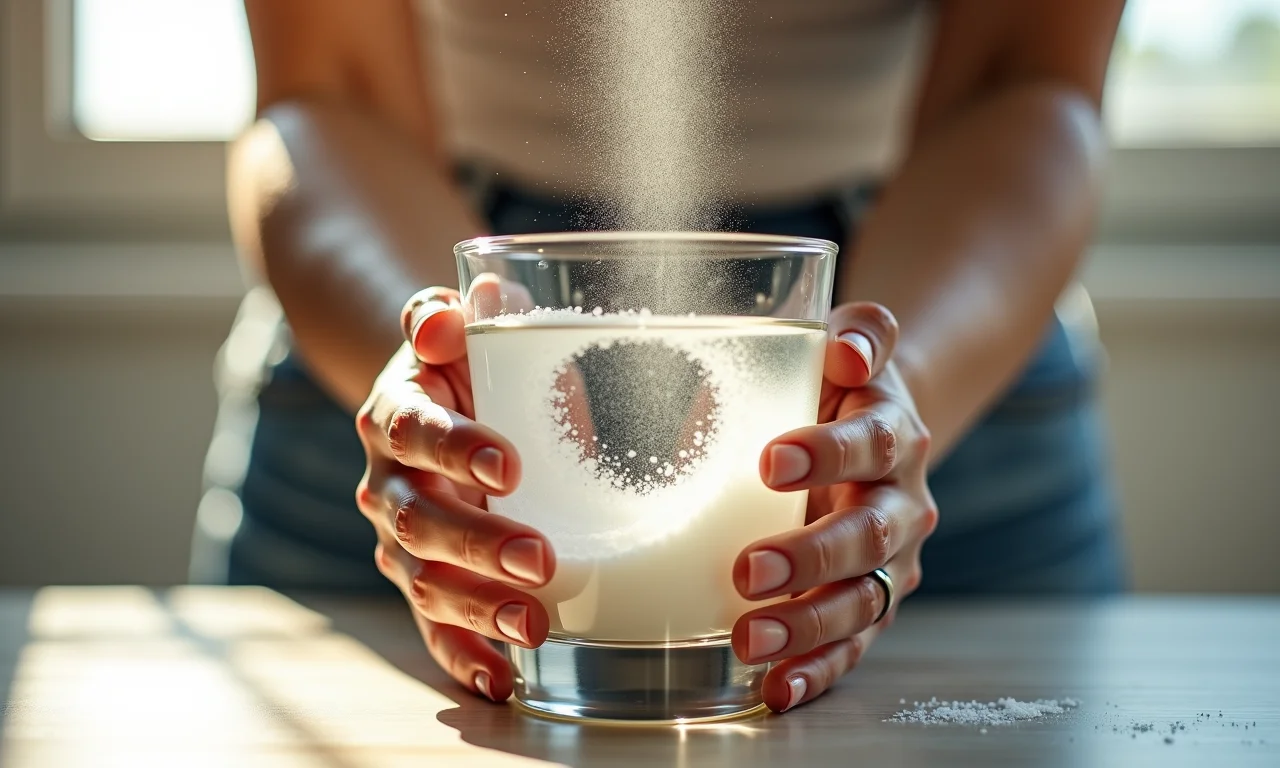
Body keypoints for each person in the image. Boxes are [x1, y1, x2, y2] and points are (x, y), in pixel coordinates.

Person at [207, 0, 1127, 713]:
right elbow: (326, 85)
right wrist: (438, 377)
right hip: (388, 261)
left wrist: (882, 407)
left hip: (949, 293)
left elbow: (1026, 73)